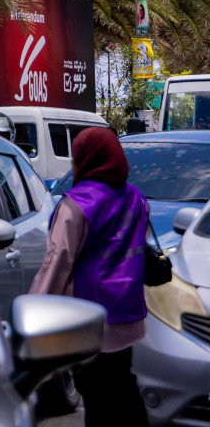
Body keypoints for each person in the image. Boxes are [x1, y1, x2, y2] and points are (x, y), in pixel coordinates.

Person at [29, 127, 151, 427]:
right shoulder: (136, 198)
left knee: (97, 397)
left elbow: (57, 264)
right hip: (128, 316)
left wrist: (35, 313)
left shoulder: (75, 205)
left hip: (90, 322)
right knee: (122, 385)